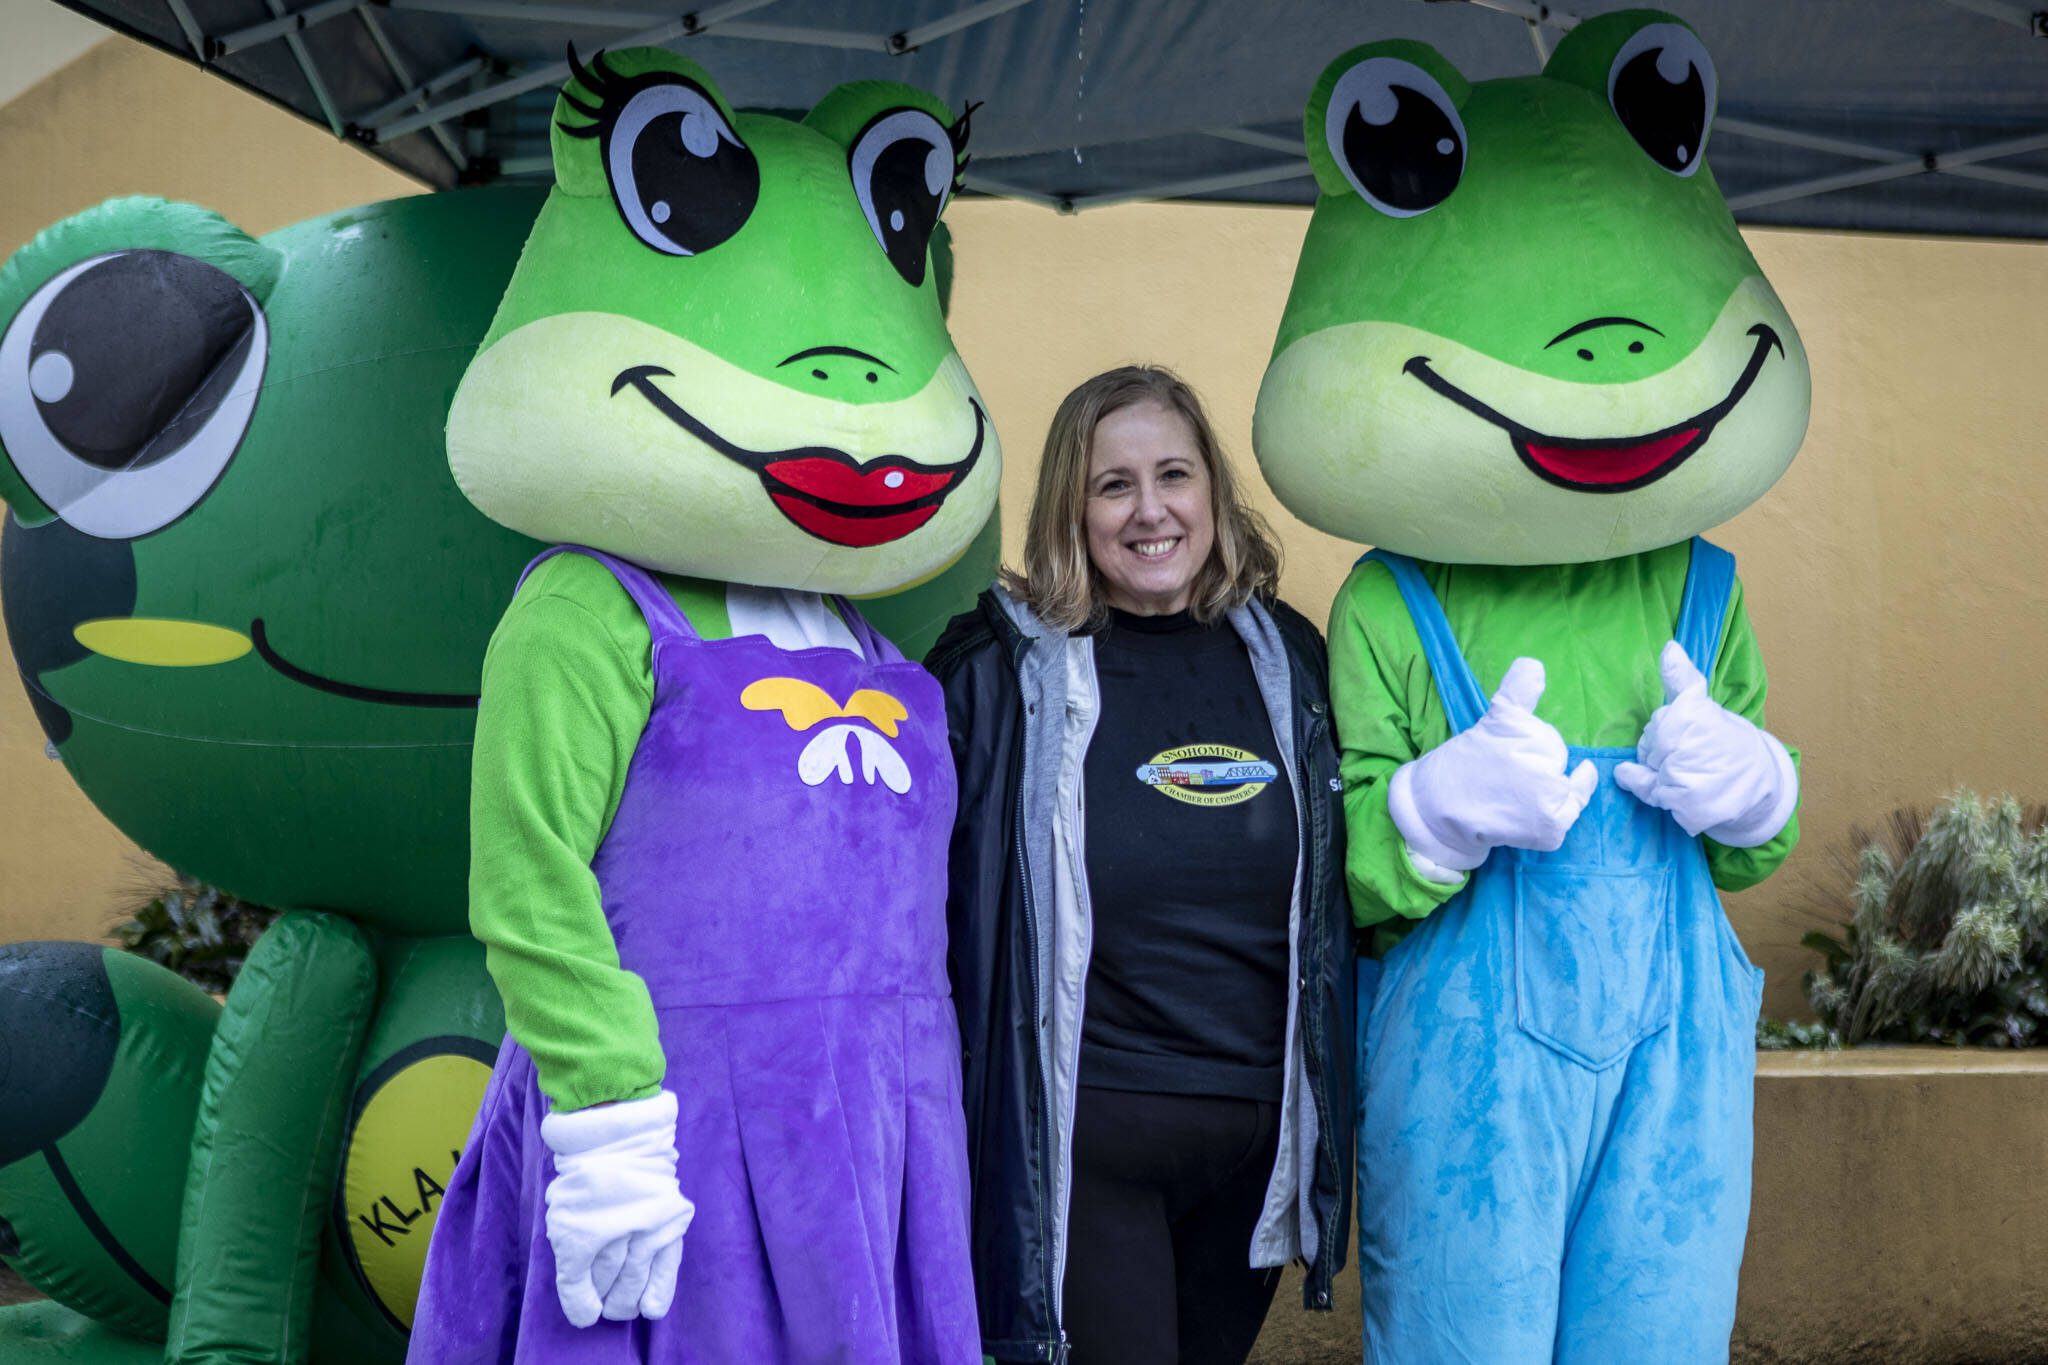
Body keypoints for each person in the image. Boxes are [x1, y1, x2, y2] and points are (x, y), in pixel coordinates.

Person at [408, 50, 998, 1363]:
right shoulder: (591, 612)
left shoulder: (873, 645)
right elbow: (529, 880)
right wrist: (609, 1114)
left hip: (874, 1129)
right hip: (667, 1137)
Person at [927, 366, 1353, 1365]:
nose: (1149, 509)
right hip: (1090, 1146)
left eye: (1174, 475)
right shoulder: (992, 673)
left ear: (1213, 492)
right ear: (1069, 508)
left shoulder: (1288, 657)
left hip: (1254, 1149)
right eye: (1112, 484)